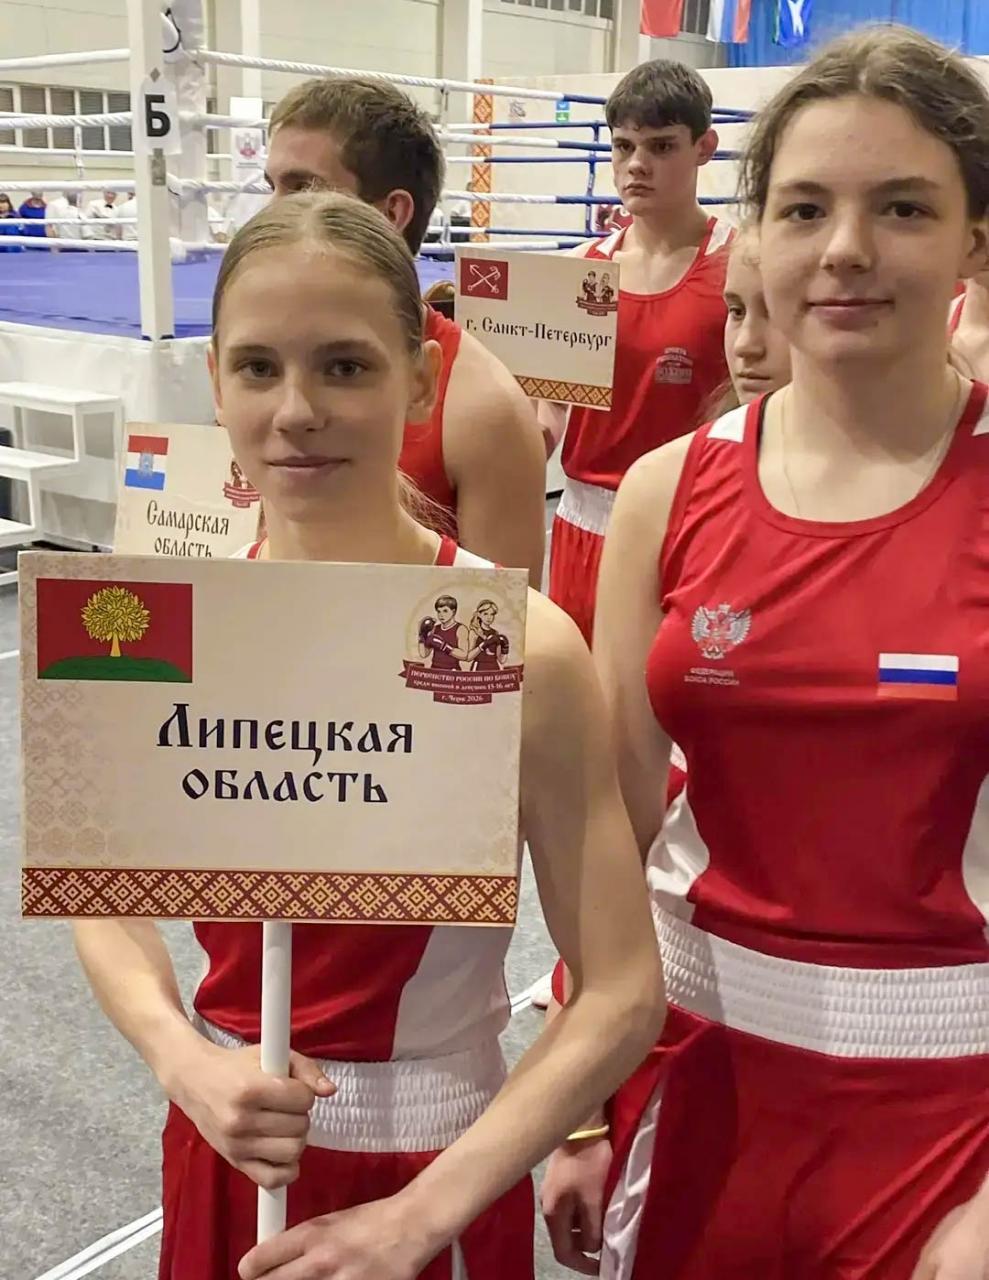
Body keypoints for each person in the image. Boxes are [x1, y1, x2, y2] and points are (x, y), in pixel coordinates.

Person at [72, 191, 664, 1280]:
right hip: (221, 1149)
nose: (296, 410)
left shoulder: (520, 645)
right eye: (258, 367)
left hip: (433, 1178)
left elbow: (622, 990)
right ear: (214, 382)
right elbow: (101, 901)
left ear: (422, 380)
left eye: (344, 366)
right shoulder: (153, 621)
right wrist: (181, 1061)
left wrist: (418, 1217)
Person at [542, 26, 989, 1280]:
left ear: (971, 237)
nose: (843, 247)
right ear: (757, 232)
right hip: (696, 1081)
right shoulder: (663, 490)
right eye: (802, 208)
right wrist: (581, 1101)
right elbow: (613, 834)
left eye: (900, 206)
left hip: (952, 1117)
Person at [263, 77, 547, 588]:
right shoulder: (258, 374)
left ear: (391, 213)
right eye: (273, 187)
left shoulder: (483, 409)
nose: (273, 213)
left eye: (302, 188)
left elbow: (502, 625)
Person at [539, 60, 733, 646]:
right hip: (584, 524)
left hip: (696, 521)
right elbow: (549, 416)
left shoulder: (742, 268)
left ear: (704, 148)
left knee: (677, 692)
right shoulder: (580, 271)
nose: (637, 165)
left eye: (661, 146)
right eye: (624, 146)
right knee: (582, 694)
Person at [467, 600, 509, 672]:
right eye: (485, 614)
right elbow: (469, 657)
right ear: (479, 615)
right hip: (479, 667)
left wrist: (505, 648)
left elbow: (501, 660)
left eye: (492, 614)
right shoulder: (474, 632)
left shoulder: (495, 633)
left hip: (494, 667)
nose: (489, 617)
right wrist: (484, 644)